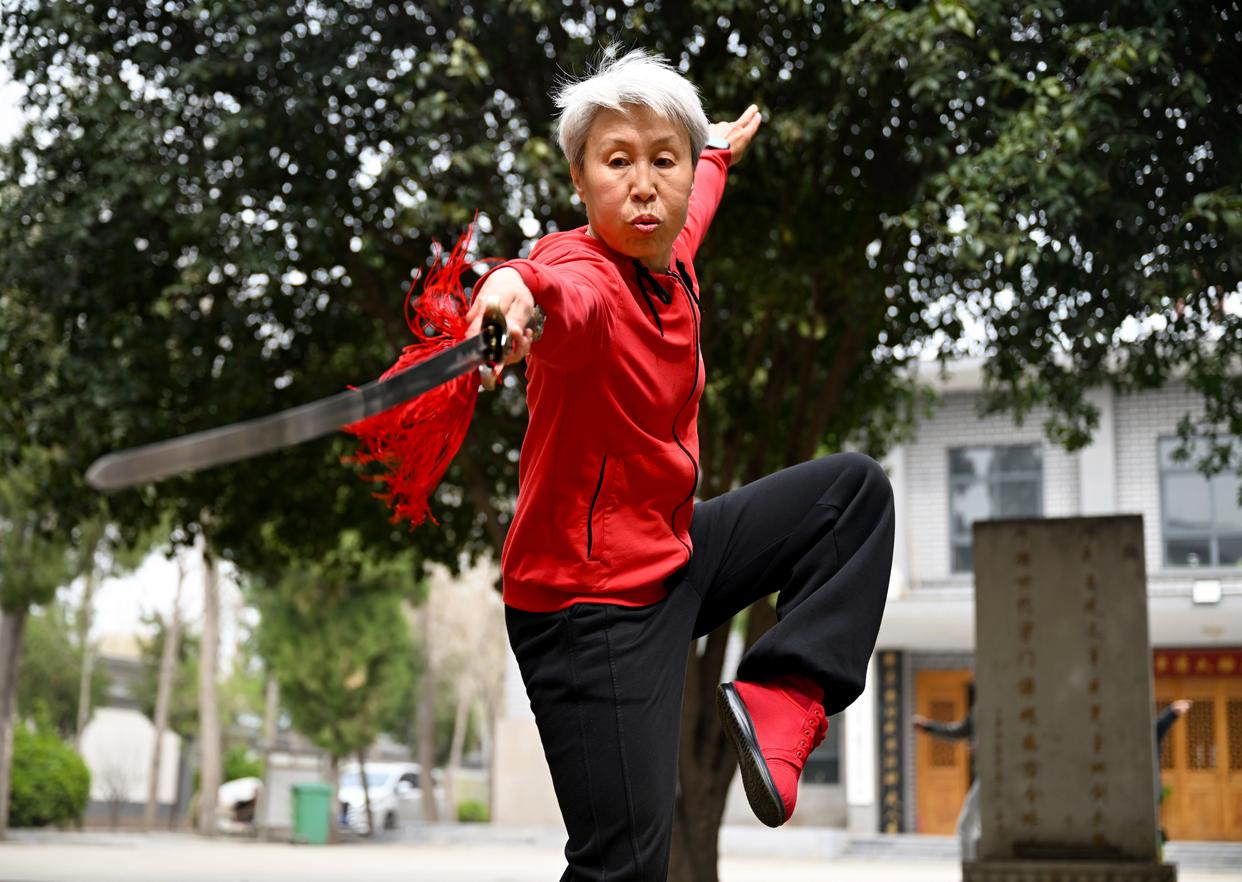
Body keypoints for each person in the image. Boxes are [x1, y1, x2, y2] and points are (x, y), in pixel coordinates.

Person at [465, 48, 894, 881]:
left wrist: (719, 146)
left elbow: (699, 196)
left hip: (671, 556)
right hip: (587, 607)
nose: (643, 185)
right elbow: (547, 287)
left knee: (851, 496)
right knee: (625, 865)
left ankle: (782, 697)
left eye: (664, 160)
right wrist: (509, 294)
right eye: (616, 162)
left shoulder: (672, 251)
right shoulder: (587, 281)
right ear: (580, 180)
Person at [912, 681, 979, 860]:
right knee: (969, 826)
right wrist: (928, 727)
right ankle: (971, 867)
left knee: (970, 825)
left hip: (999, 774)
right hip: (986, 776)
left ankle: (973, 867)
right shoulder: (980, 709)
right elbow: (959, 731)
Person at [1155, 698, 1191, 845]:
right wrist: (1171, 712)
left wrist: (1172, 712)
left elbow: (1158, 727)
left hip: (1150, 785)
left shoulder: (1151, 735)